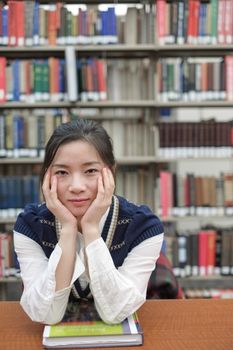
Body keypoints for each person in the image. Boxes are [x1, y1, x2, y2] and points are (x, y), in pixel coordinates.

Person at [13, 119, 164, 325]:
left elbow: (115, 312)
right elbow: (46, 315)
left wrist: (90, 229)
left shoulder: (144, 226)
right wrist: (68, 228)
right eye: (62, 172)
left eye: (90, 171)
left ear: (110, 172)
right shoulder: (30, 225)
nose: (76, 186)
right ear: (47, 176)